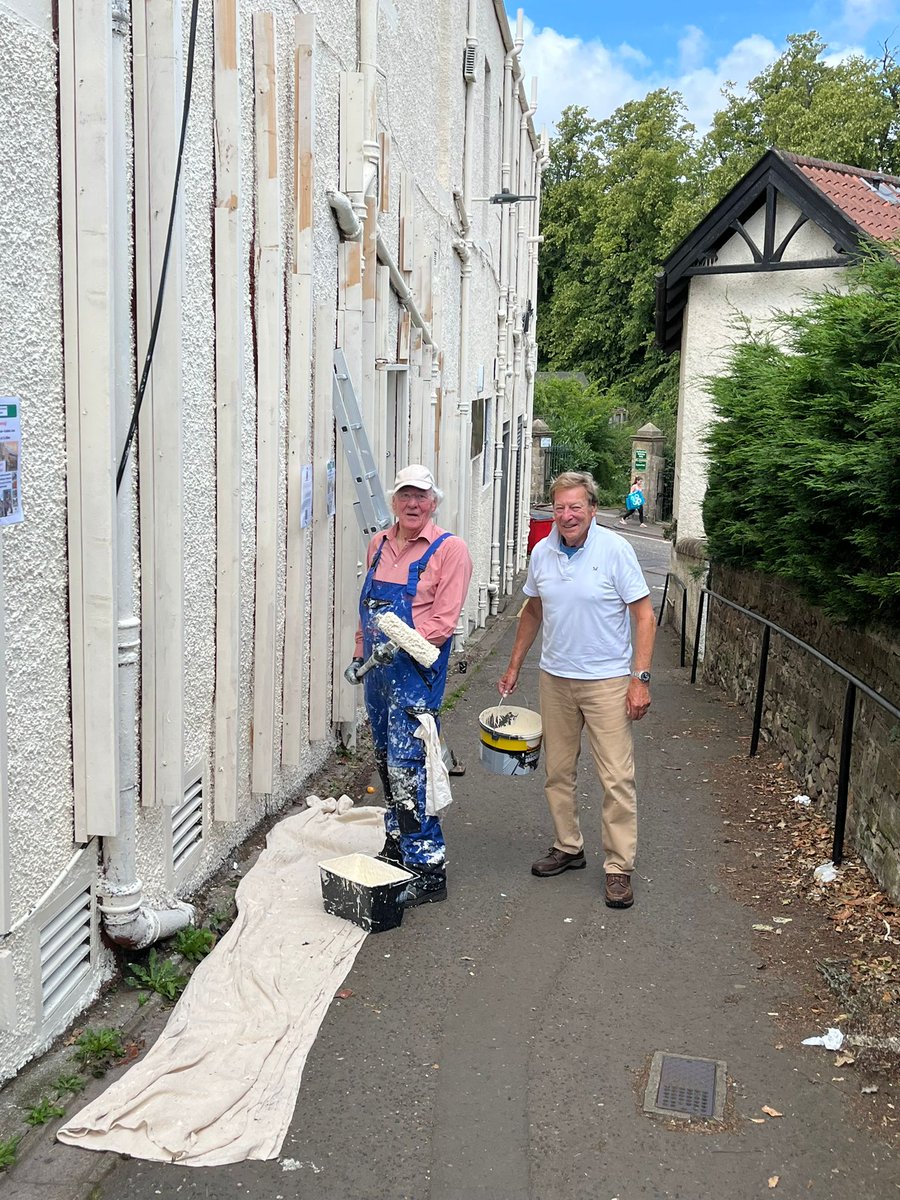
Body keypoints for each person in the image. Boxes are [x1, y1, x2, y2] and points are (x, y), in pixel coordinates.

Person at [498, 470, 655, 909]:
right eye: (560, 507)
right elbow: (533, 610)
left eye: (575, 507)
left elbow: (644, 616)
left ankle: (619, 867)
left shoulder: (616, 550)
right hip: (556, 678)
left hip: (607, 681)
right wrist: (514, 666)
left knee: (616, 777)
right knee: (557, 771)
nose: (567, 516)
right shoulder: (543, 552)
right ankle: (568, 846)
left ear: (591, 508)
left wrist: (639, 680)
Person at [347, 465, 472, 907]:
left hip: (415, 675)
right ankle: (398, 841)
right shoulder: (379, 544)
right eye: (405, 496)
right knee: (384, 758)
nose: (413, 504)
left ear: (433, 502)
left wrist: (396, 645)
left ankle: (427, 866)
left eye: (421, 496)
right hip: (378, 676)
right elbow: (367, 609)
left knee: (409, 765)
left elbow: (442, 622)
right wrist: (363, 653)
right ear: (394, 502)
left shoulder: (449, 550)